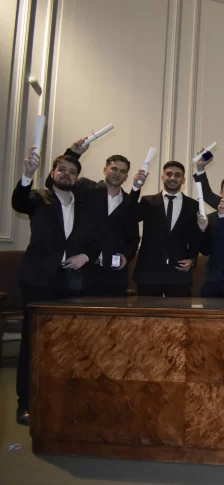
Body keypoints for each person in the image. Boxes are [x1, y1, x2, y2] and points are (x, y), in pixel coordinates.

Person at [11, 146, 100, 426]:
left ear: (77, 178)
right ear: (52, 174)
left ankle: (62, 401)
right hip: (38, 281)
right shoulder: (39, 198)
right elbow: (18, 202)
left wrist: (86, 256)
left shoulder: (84, 206)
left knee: (67, 344)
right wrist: (27, 174)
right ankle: (26, 404)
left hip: (70, 284)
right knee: (32, 343)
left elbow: (94, 240)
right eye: (62, 170)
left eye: (72, 172)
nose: (66, 174)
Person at [68, 144, 139, 297]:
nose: (117, 174)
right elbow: (57, 183)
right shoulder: (85, 188)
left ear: (126, 177)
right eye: (114, 169)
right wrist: (73, 154)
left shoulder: (129, 202)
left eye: (122, 171)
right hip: (82, 269)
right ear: (105, 170)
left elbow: (134, 238)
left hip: (115, 275)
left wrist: (126, 256)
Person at [132, 161, 201, 297]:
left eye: (177, 175)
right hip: (149, 273)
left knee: (179, 311)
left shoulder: (193, 206)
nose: (172, 178)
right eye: (169, 174)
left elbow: (196, 236)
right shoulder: (147, 201)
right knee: (146, 311)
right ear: (162, 177)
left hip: (179, 273)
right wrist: (135, 189)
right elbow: (130, 215)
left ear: (183, 180)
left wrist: (192, 259)